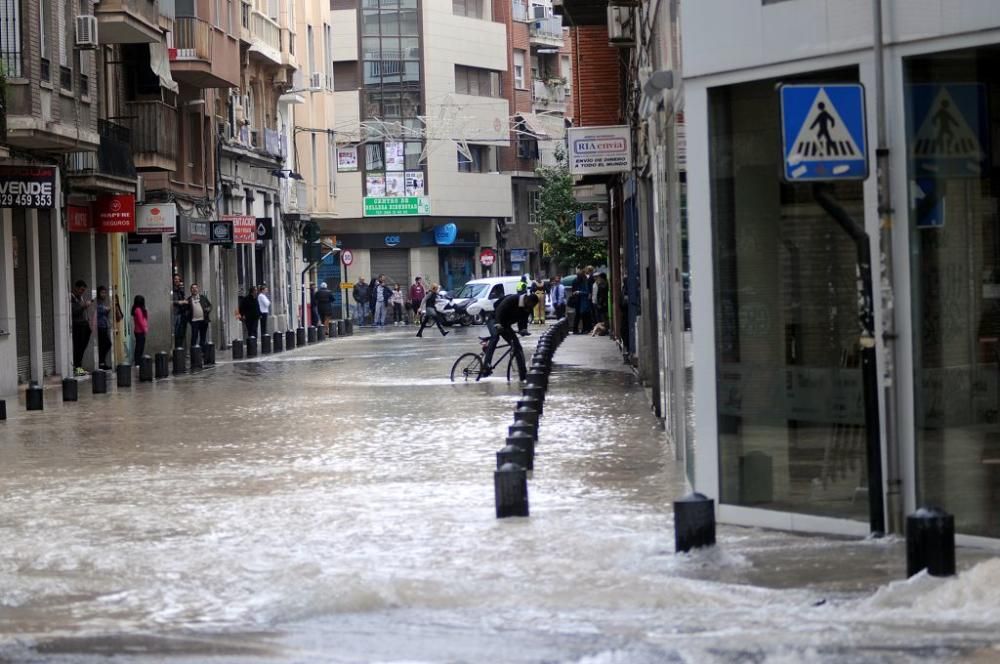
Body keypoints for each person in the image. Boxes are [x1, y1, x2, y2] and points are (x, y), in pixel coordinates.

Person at [481, 290, 538, 381]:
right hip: (493, 318)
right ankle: (486, 364)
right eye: (530, 305)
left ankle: (523, 375)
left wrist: (523, 330)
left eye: (532, 307)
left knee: (517, 347)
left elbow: (523, 320)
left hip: (505, 325)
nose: (530, 308)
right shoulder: (513, 299)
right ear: (527, 300)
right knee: (495, 337)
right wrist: (498, 323)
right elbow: (500, 309)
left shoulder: (527, 307)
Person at [70, 280, 93, 376]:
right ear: (76, 288)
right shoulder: (71, 297)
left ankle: (79, 366)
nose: (82, 292)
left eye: (84, 290)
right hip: (77, 325)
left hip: (83, 324)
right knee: (78, 347)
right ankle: (77, 367)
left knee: (82, 346)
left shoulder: (80, 298)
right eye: (81, 290)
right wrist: (83, 306)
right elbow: (73, 311)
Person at [187, 283, 212, 348]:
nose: (194, 289)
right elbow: (186, 310)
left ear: (198, 289)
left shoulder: (203, 297)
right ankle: (194, 353)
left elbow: (210, 305)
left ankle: (202, 353)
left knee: (203, 337)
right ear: (191, 290)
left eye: (196, 288)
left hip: (203, 321)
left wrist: (208, 309)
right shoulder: (189, 299)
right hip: (194, 321)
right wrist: (189, 319)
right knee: (194, 337)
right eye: (193, 288)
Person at [94, 286, 113, 370]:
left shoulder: (102, 302)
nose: (104, 294)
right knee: (105, 344)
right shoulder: (97, 302)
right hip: (100, 326)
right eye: (102, 292)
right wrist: (106, 309)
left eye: (105, 293)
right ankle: (101, 363)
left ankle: (102, 362)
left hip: (104, 326)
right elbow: (102, 310)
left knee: (106, 344)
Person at [572, 268, 593, 334]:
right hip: (582, 301)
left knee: (578, 316)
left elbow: (573, 291)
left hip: (578, 300)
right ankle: (585, 329)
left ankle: (576, 329)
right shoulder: (584, 282)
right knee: (585, 316)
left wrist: (577, 293)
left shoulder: (575, 281)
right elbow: (587, 292)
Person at [171, 274, 187, 349]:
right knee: (176, 332)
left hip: (181, 313)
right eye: (175, 279)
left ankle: (180, 348)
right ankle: (176, 349)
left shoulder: (181, 290)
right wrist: (179, 302)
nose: (177, 280)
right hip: (175, 313)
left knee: (181, 332)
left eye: (178, 279)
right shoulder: (172, 290)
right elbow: (170, 301)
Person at [131, 295, 148, 366]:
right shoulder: (138, 310)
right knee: (139, 347)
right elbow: (141, 321)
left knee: (140, 347)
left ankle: (138, 361)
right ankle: (137, 362)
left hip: (139, 331)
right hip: (139, 331)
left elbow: (145, 319)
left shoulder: (138, 309)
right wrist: (145, 329)